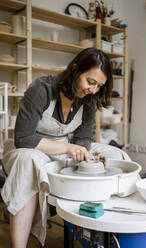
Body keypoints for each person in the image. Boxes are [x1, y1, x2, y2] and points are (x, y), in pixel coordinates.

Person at [1, 47, 129, 248]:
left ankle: (114, 230)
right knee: (30, 162)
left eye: (99, 86)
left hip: (62, 147)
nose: (93, 90)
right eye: (90, 82)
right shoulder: (42, 89)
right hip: (28, 148)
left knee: (115, 154)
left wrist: (89, 155)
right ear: (75, 69)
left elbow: (83, 138)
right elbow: (23, 138)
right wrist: (69, 149)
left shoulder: (89, 99)